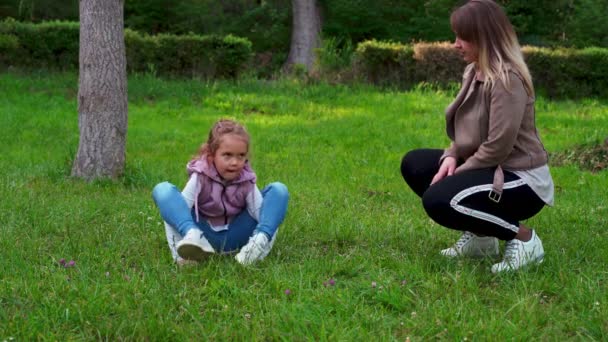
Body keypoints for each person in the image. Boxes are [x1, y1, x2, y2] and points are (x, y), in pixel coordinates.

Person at [400, 0, 554, 273]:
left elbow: (497, 147)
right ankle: (482, 240)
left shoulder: (507, 80)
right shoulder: (474, 71)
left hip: (522, 180)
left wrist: (458, 172)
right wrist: (451, 156)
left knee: (439, 199)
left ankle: (525, 239)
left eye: (463, 38)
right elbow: (467, 133)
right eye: (456, 36)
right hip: (491, 169)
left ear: (485, 39)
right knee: (415, 164)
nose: (455, 44)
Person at [152, 119, 289, 266]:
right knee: (164, 191)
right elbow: (177, 215)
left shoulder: (246, 180)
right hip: (204, 238)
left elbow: (264, 217)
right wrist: (179, 255)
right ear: (212, 156)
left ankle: (254, 249)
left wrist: (262, 246)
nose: (235, 162)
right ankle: (192, 237)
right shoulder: (200, 177)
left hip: (238, 238)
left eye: (241, 156)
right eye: (227, 155)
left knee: (279, 191)